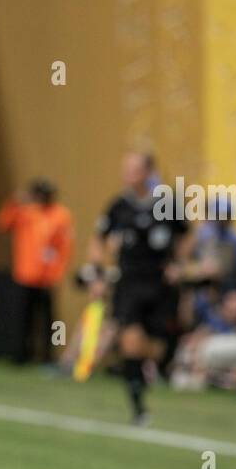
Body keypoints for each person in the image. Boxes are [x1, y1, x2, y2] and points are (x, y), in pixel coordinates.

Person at [87, 152, 192, 424]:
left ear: (148, 172)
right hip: (130, 283)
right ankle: (138, 407)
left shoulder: (167, 202)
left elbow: (186, 235)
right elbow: (98, 240)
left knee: (158, 345)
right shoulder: (119, 205)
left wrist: (179, 265)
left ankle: (155, 371)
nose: (127, 174)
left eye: (134, 169)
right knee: (130, 342)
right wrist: (98, 276)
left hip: (160, 285)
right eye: (126, 169)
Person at [0, 179, 73, 364]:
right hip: (25, 274)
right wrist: (14, 201)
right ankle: (20, 355)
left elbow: (64, 247)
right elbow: (3, 224)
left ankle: (48, 356)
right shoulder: (26, 212)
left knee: (50, 320)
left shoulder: (61, 214)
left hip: (47, 277)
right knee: (22, 318)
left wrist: (57, 273)